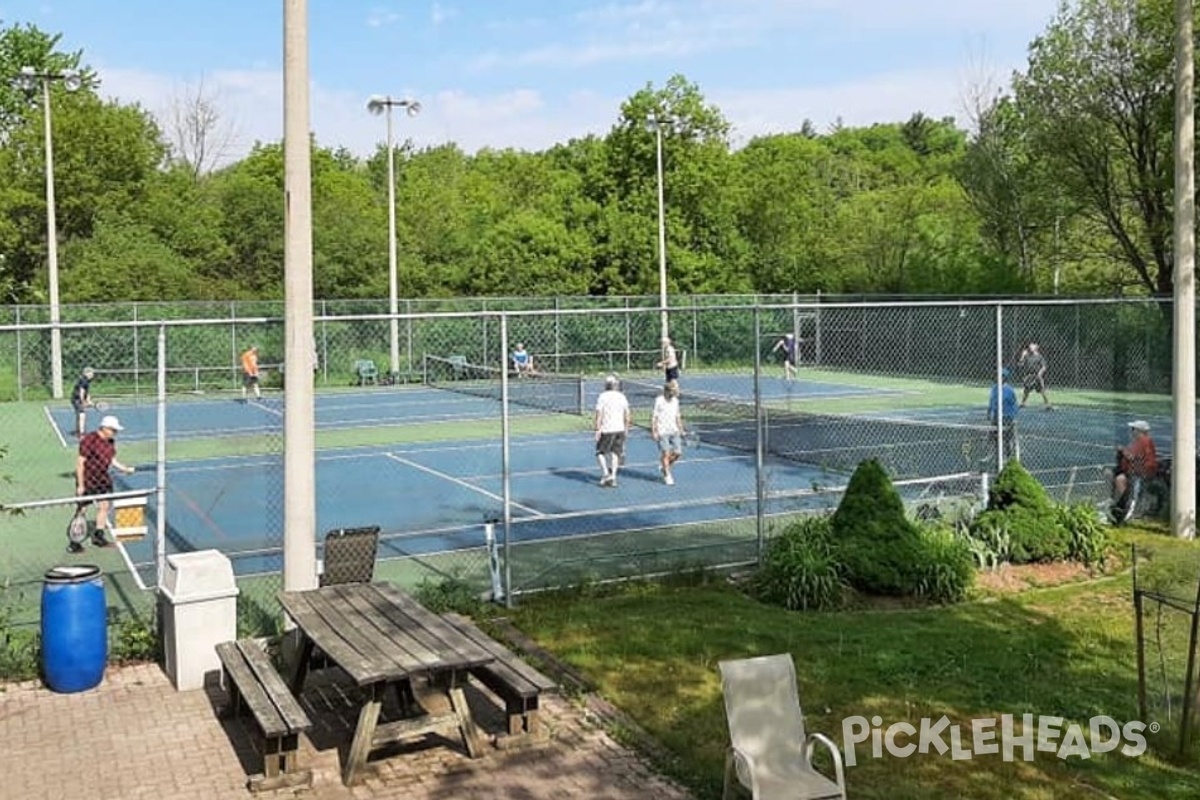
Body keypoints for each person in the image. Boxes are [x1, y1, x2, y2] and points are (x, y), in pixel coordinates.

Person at [73, 415, 135, 552]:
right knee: (82, 509)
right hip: (88, 479)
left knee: (104, 506)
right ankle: (74, 540)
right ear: (105, 428)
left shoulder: (110, 441)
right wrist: (81, 485)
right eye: (113, 430)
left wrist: (125, 469)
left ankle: (98, 536)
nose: (115, 433)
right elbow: (80, 463)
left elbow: (112, 459)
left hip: (103, 479)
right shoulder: (89, 440)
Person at [1109, 420, 1159, 521]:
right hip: (1135, 470)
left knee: (1120, 479)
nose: (1131, 431)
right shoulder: (1141, 441)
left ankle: (1124, 503)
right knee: (1110, 474)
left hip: (1140, 472)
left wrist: (1122, 450)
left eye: (1133, 429)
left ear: (1139, 431)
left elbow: (1132, 457)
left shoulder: (1143, 441)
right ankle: (1118, 500)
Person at [594, 374, 631, 488]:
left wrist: (597, 429)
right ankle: (613, 477)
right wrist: (626, 428)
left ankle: (606, 474)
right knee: (615, 453)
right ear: (615, 385)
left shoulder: (602, 396)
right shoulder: (621, 396)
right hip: (619, 428)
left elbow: (599, 414)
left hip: (607, 429)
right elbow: (627, 414)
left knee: (600, 452)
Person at [651, 382, 685, 486]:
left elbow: (677, 416)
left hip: (674, 431)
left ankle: (664, 467)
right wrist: (654, 431)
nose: (674, 394)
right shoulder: (659, 400)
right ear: (666, 391)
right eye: (672, 391)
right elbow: (654, 417)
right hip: (662, 431)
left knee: (678, 453)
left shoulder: (675, 401)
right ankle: (667, 475)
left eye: (674, 392)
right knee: (665, 453)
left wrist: (681, 429)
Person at [986, 368, 1020, 461]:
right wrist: (989, 412)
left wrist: (1014, 418)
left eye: (1000, 376)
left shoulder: (1009, 390)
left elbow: (1014, 405)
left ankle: (1008, 456)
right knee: (992, 437)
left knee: (1007, 438)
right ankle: (992, 455)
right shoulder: (994, 388)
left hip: (1007, 417)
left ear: (1004, 378)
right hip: (997, 417)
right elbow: (992, 401)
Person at [1018, 342, 1052, 409]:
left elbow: (1044, 367)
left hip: (1037, 377)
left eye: (1032, 346)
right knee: (1026, 391)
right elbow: (1020, 365)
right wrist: (1022, 356)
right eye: (1030, 346)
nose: (1030, 347)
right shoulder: (1027, 356)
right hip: (1029, 377)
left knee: (1042, 391)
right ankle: (1023, 403)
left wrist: (1040, 373)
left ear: (1036, 348)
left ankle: (1048, 404)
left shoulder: (1039, 356)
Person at [70, 367, 96, 437]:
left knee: (79, 414)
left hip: (75, 398)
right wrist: (83, 401)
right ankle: (81, 433)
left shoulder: (85, 380)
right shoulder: (84, 380)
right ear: (87, 373)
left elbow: (86, 392)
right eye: (91, 373)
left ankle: (78, 431)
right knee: (82, 415)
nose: (93, 374)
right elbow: (81, 392)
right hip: (77, 399)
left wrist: (89, 400)